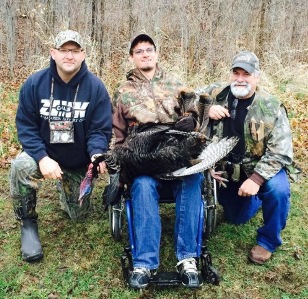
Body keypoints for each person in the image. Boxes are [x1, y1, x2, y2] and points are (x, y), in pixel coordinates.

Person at [9, 30, 112, 262]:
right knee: (20, 166)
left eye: (75, 51)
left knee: (77, 216)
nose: (69, 56)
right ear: (53, 53)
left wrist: (96, 153)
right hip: (46, 157)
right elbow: (26, 127)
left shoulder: (96, 88)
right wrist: (42, 157)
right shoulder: (34, 84)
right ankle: (28, 224)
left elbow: (99, 130)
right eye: (64, 50)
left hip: (78, 162)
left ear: (83, 55)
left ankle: (67, 191)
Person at [112, 34, 204, 289]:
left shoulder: (176, 84)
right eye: (139, 51)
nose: (145, 54)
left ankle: (187, 259)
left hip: (174, 147)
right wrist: (120, 164)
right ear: (132, 57)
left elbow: (196, 118)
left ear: (156, 53)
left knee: (193, 178)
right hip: (142, 154)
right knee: (141, 185)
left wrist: (191, 122)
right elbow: (117, 134)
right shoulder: (123, 90)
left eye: (149, 50)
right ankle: (144, 262)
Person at [200, 51, 295, 265]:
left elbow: (281, 151)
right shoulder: (216, 93)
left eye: (247, 74)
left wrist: (257, 179)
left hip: (259, 169)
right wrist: (207, 109)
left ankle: (268, 241)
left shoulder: (271, 106)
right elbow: (184, 101)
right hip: (225, 172)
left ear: (256, 77)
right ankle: (253, 202)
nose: (240, 79)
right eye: (236, 73)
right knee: (236, 218)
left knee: (278, 190)